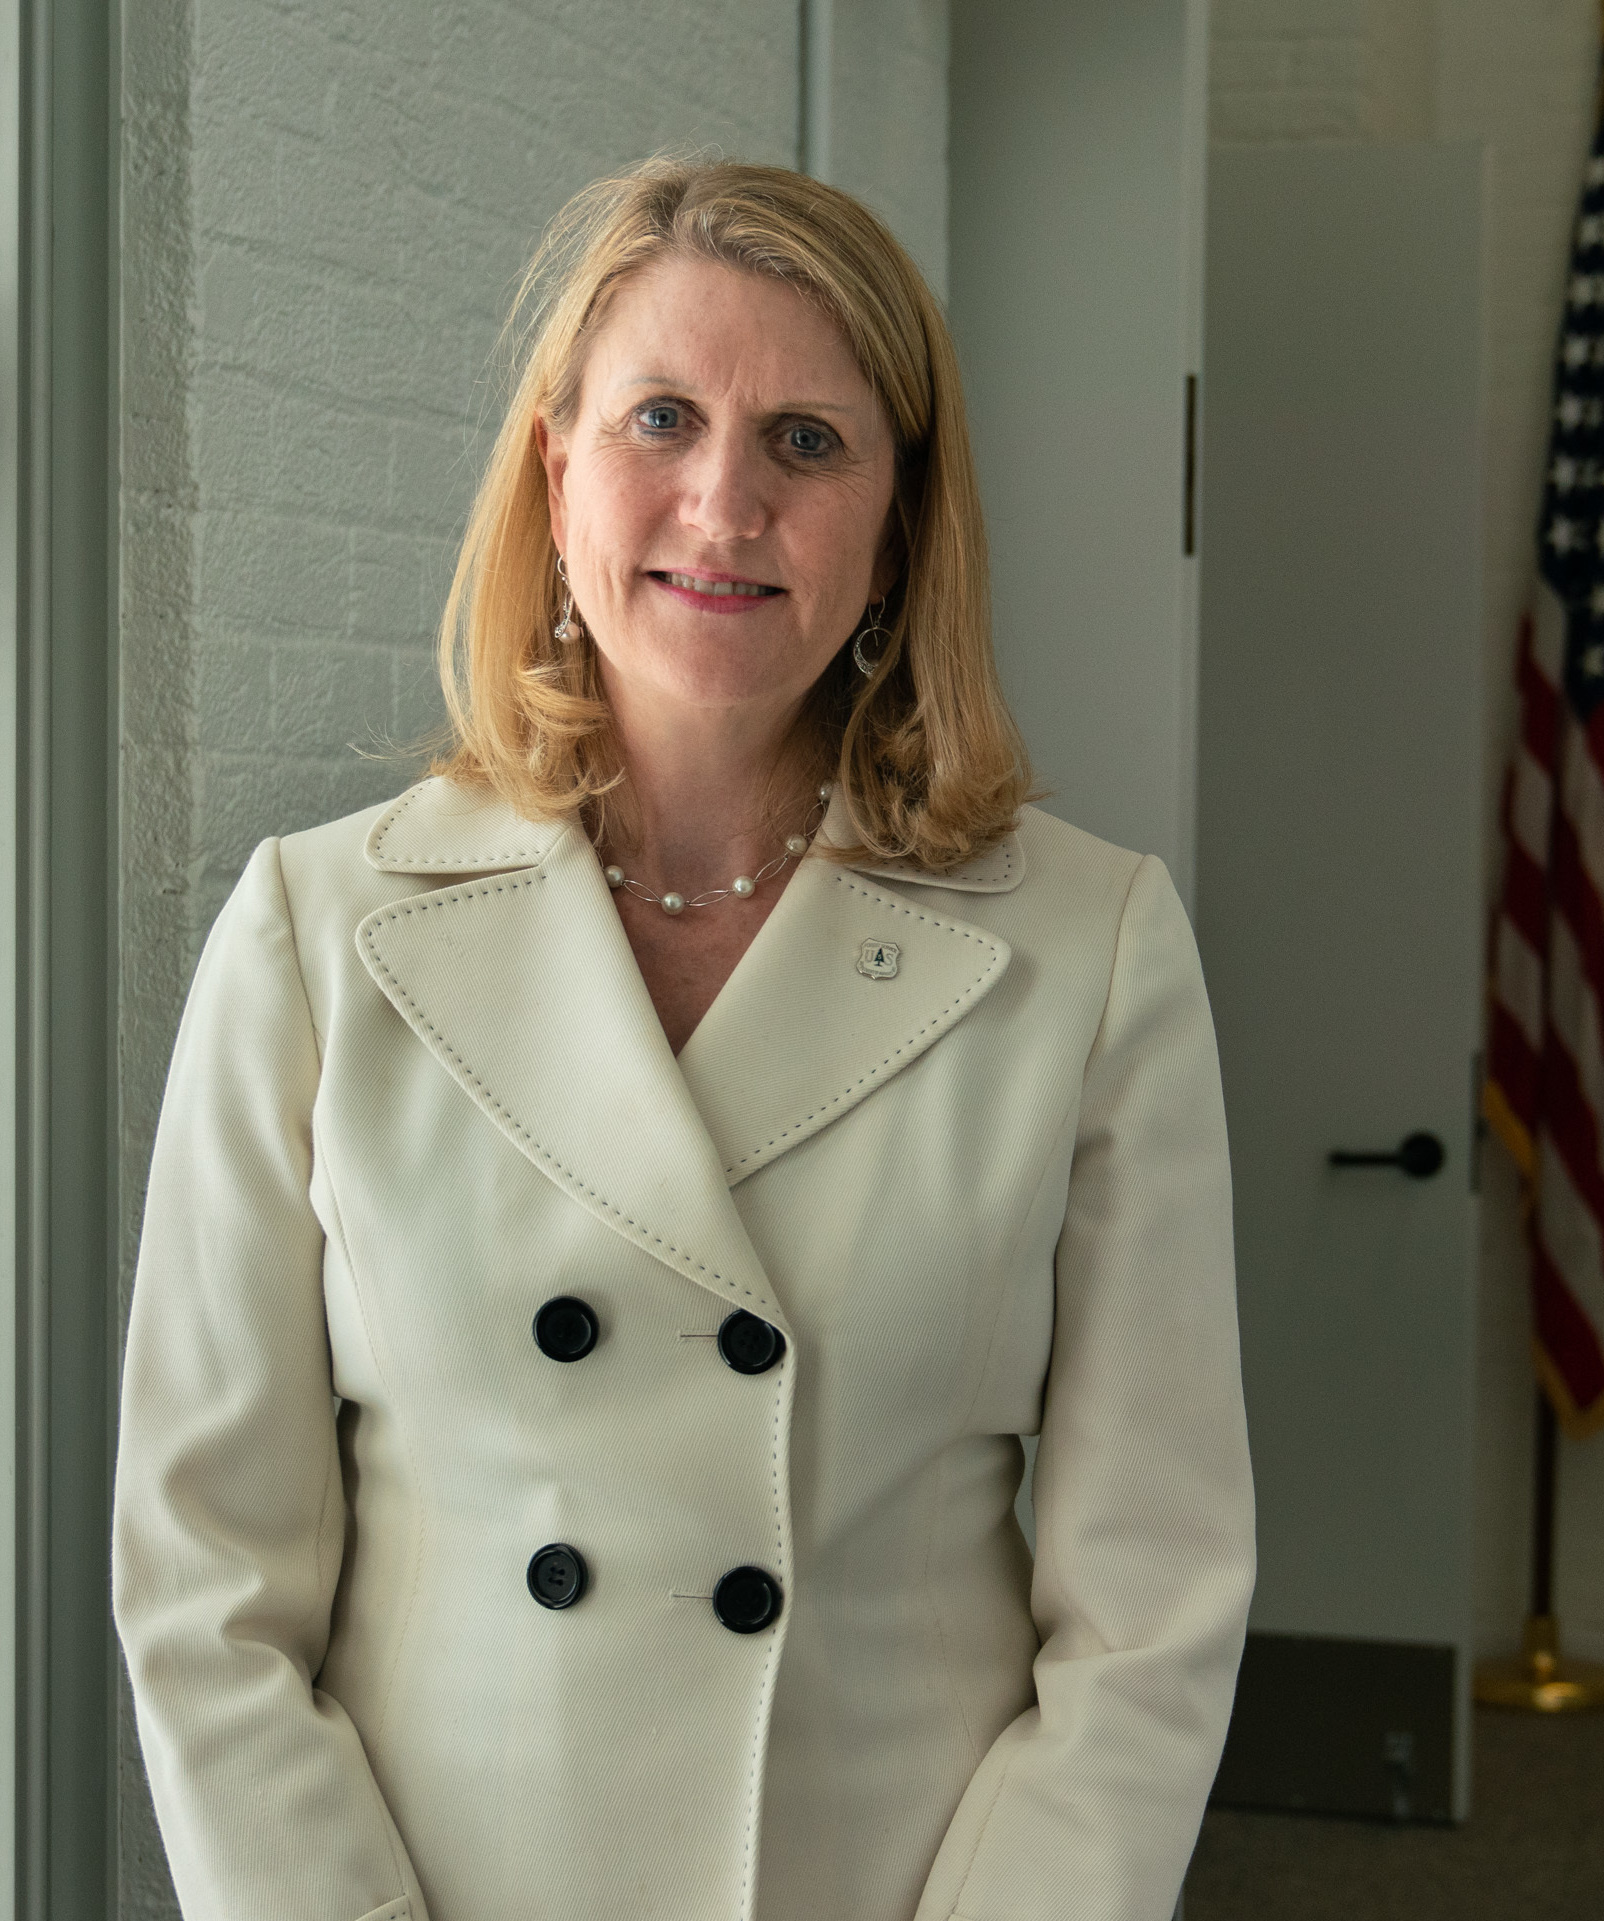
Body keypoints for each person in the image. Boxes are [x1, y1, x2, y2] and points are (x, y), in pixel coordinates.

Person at [111, 156, 1254, 1921]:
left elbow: (1151, 1600)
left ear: (897, 519)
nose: (724, 502)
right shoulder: (318, 932)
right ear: (558, 473)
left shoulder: (1087, 951)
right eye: (662, 417)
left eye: (809, 441)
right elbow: (204, 1591)